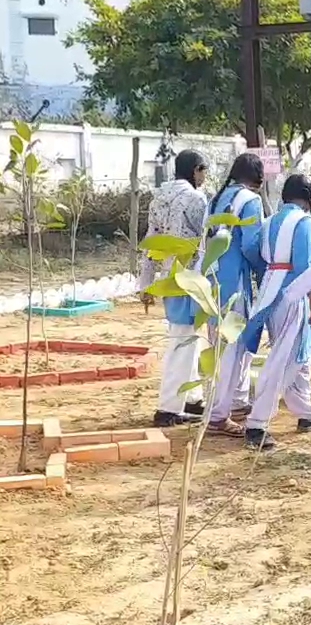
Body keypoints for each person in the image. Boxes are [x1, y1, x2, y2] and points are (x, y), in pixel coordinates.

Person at [239, 173, 311, 450]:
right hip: (292, 293)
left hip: (270, 289)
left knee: (297, 351)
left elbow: (254, 252)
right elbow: (305, 267)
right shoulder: (304, 222)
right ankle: (257, 423)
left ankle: (306, 412)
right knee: (283, 359)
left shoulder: (270, 221)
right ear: (308, 195)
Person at [139, 149, 210, 427]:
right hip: (190, 276)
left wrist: (146, 282)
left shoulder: (158, 199)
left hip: (169, 276)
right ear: (195, 170)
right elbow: (205, 238)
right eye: (203, 170)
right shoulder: (195, 198)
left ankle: (191, 398)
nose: (204, 177)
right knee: (182, 341)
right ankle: (168, 407)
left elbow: (151, 240)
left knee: (185, 337)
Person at [204, 153, 266, 438]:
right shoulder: (250, 201)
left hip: (211, 279)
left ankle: (226, 403)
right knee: (231, 349)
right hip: (235, 282)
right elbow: (253, 245)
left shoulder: (217, 199)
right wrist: (263, 270)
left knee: (216, 345)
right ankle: (219, 415)